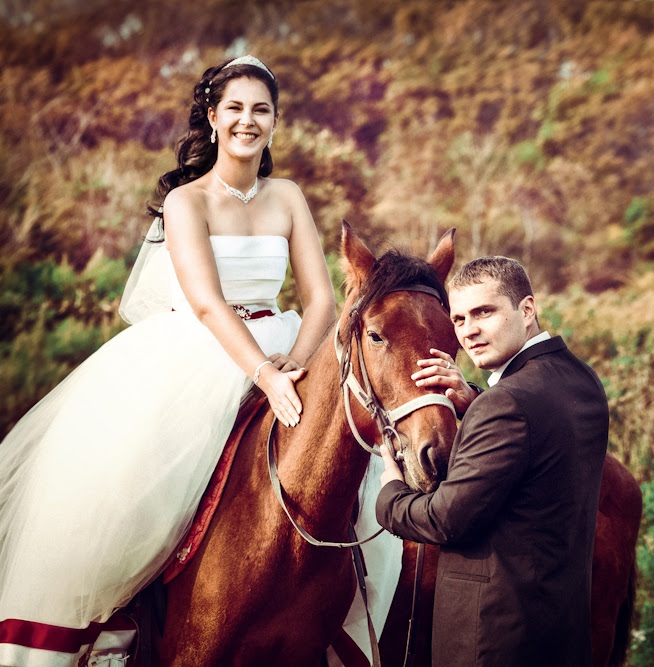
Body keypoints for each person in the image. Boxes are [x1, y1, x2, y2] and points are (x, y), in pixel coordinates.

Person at [0, 55, 342, 666]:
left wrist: (292, 362)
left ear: (274, 122)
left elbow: (321, 297)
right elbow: (208, 304)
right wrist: (261, 372)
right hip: (201, 353)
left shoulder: (287, 196)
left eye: (261, 110)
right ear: (212, 117)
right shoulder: (187, 202)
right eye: (235, 108)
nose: (248, 120)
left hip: (284, 342)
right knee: (140, 480)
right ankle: (118, 625)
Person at [376, 256, 610, 666]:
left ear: (526, 309)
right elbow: (536, 444)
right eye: (460, 318)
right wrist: (477, 402)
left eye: (485, 312)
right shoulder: (581, 379)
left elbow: (444, 520)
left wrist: (391, 494)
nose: (470, 331)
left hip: (492, 642)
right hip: (560, 633)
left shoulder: (508, 402)